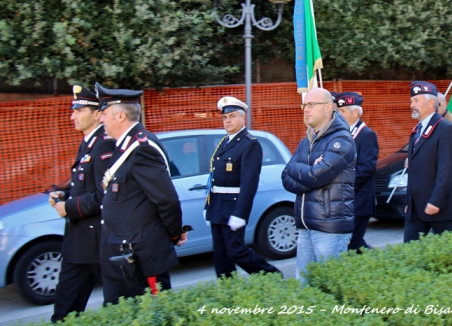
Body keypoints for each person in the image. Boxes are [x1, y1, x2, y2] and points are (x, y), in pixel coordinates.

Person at [95, 83, 188, 305]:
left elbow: (166, 199)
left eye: (104, 113)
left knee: (151, 313)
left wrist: (174, 234)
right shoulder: (124, 144)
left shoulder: (142, 147)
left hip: (141, 257)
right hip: (124, 253)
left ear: (119, 116)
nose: (100, 119)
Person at [48, 85, 115, 322]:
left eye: (78, 110)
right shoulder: (88, 142)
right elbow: (83, 186)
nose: (72, 115)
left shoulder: (103, 144)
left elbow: (104, 195)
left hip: (93, 242)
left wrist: (68, 207)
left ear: (97, 114)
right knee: (67, 308)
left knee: (117, 303)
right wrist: (63, 194)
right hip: (81, 242)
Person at [281, 88, 356, 280]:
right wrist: (309, 176)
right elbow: (285, 176)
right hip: (306, 225)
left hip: (329, 228)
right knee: (304, 287)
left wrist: (305, 174)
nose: (306, 109)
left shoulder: (341, 140)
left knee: (330, 288)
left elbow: (315, 176)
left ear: (329, 107)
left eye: (312, 105)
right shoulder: (306, 141)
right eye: (305, 105)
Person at [204, 96, 280, 278]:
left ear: (242, 118)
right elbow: (214, 177)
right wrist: (208, 206)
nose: (228, 121)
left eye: (232, 116)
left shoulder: (249, 144)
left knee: (236, 251)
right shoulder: (225, 141)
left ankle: (271, 275)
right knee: (221, 254)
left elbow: (249, 183)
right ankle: (228, 289)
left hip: (233, 206)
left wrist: (240, 214)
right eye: (225, 117)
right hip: (218, 205)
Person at [403, 81, 452, 242]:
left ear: (430, 103)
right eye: (411, 101)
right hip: (416, 206)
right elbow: (413, 171)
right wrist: (409, 201)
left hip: (439, 206)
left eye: (416, 101)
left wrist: (435, 201)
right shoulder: (416, 131)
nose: (411, 105)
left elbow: (446, 170)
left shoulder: (445, 128)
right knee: (409, 253)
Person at [336, 92, 379, 252]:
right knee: (353, 244)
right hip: (344, 201)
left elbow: (366, 169)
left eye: (343, 111)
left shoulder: (366, 135)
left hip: (358, 201)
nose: (338, 115)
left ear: (355, 113)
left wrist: (340, 183)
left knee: (352, 245)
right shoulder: (341, 134)